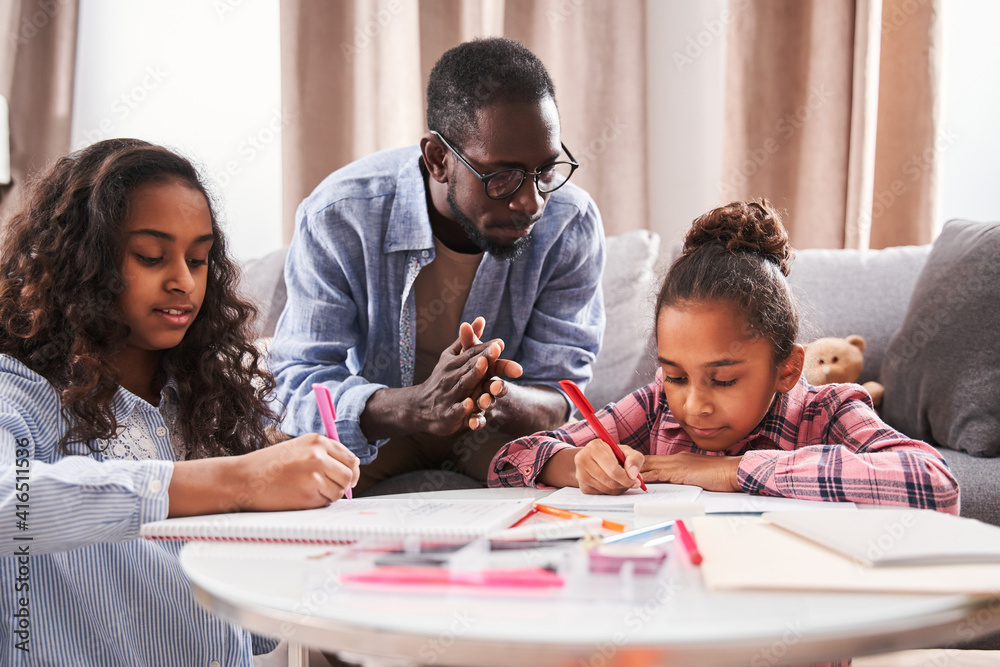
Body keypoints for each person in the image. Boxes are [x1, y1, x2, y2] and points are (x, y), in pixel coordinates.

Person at [0, 138, 359, 665]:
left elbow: (254, 635)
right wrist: (236, 481)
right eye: (151, 256)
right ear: (81, 260)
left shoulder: (208, 398)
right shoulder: (19, 393)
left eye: (198, 259)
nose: (183, 282)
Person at [271, 37, 606, 495]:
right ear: (438, 159)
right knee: (280, 469)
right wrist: (417, 406)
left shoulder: (571, 222)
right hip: (376, 434)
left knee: (587, 478)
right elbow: (302, 385)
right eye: (501, 176)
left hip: (496, 437)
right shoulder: (340, 215)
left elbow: (561, 398)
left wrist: (494, 394)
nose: (532, 200)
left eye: (545, 170)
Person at [488, 200, 959, 514]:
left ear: (787, 368)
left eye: (725, 379)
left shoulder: (829, 412)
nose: (694, 405)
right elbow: (509, 461)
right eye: (675, 375)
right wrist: (575, 465)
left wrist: (731, 470)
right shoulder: (656, 407)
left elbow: (935, 485)